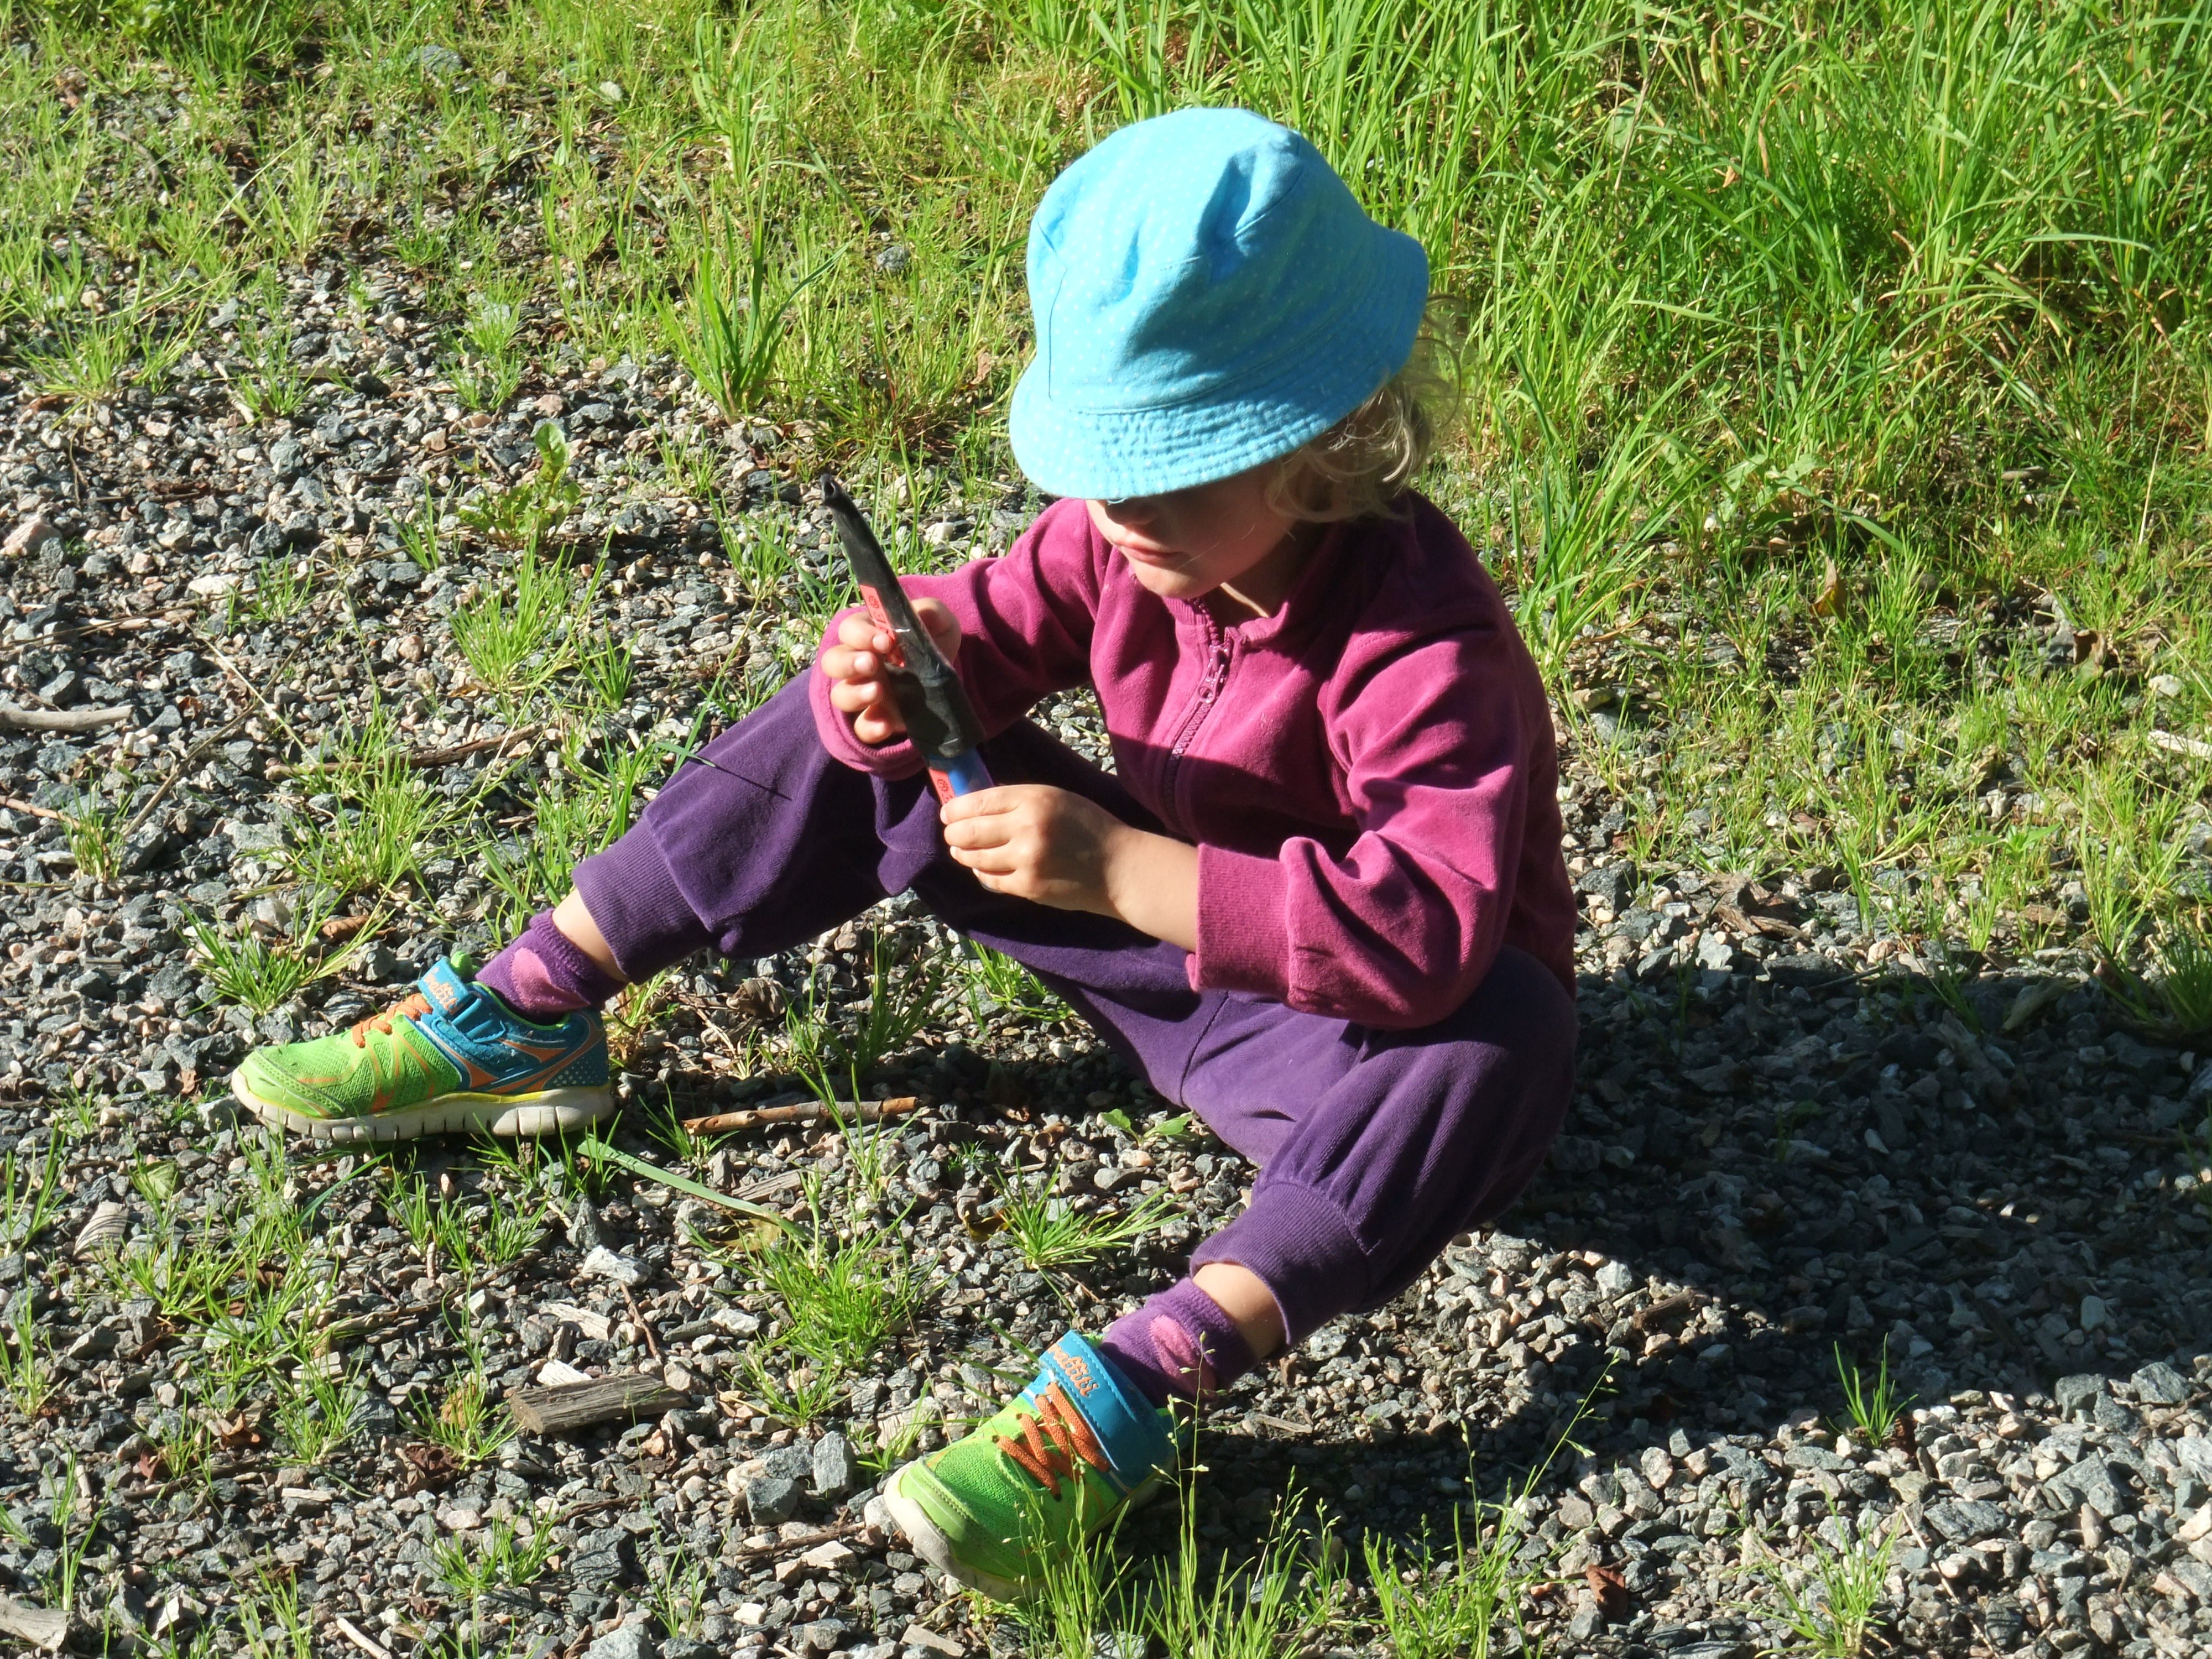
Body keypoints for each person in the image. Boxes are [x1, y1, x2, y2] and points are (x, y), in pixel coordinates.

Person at [227, 107, 1578, 1600]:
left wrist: (1129, 873)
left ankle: (1141, 1384)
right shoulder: (1121, 543)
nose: (1120, 510)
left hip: (1350, 1046)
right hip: (1163, 938)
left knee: (1507, 1031)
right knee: (834, 723)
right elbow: (993, 634)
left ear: (1325, 434)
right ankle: (536, 1006)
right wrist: (898, 672)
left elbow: (1434, 932)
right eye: (1101, 467)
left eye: (1171, 472)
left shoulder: (1418, 641)